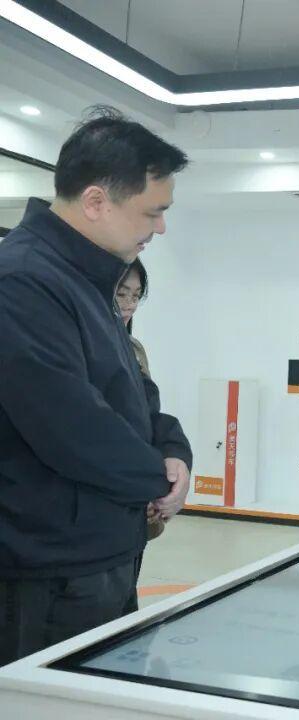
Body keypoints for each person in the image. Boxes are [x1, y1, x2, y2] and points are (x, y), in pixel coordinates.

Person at [0, 106, 193, 665]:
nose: (160, 228)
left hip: (100, 551)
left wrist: (173, 449)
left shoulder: (88, 278)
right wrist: (156, 477)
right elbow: (71, 425)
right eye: (153, 212)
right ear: (95, 201)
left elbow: (134, 392)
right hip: (48, 571)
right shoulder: (23, 282)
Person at [114, 258, 167, 615]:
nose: (130, 304)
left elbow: (148, 420)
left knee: (126, 596)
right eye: (122, 294)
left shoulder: (134, 349)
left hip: (136, 490)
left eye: (136, 295)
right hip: (109, 489)